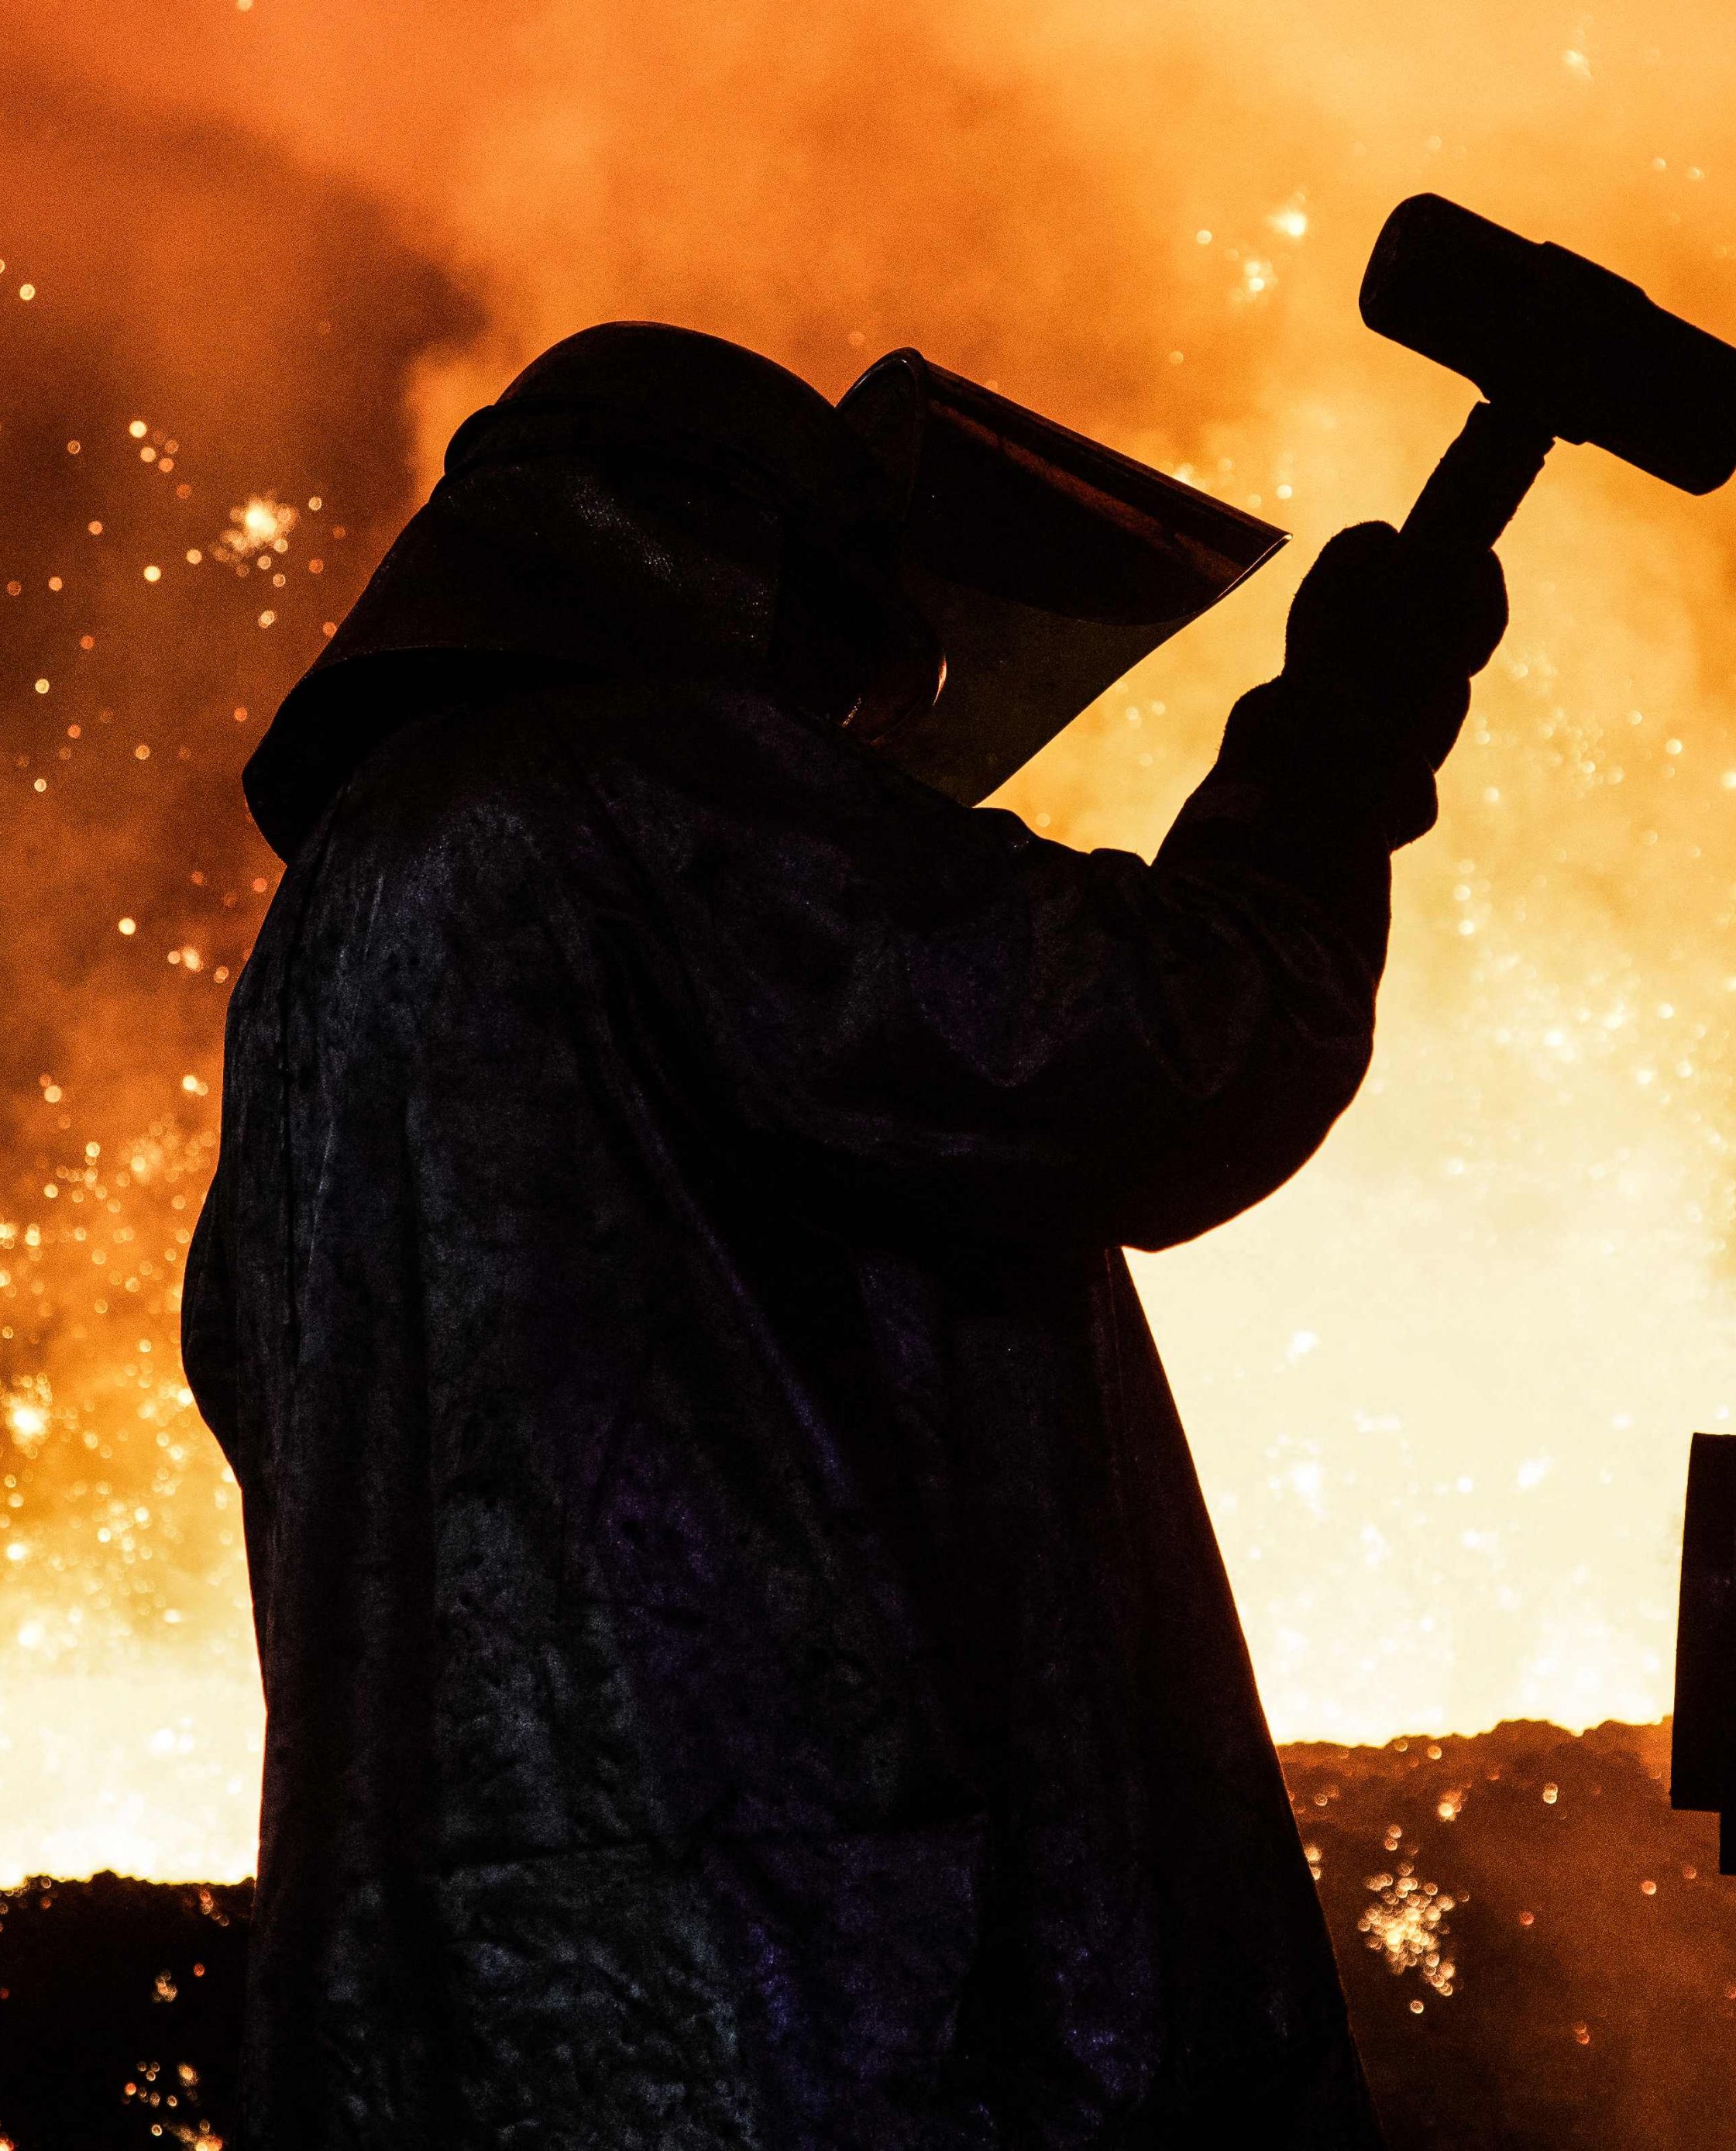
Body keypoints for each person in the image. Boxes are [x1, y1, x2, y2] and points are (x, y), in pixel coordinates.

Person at [182, 322, 1505, 2146]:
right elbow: (1174, 1045)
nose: (852, 716)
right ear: (711, 564)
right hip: (821, 1982)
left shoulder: (327, 944)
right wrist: (1334, 741)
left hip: (472, 2014)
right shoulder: (645, 800)